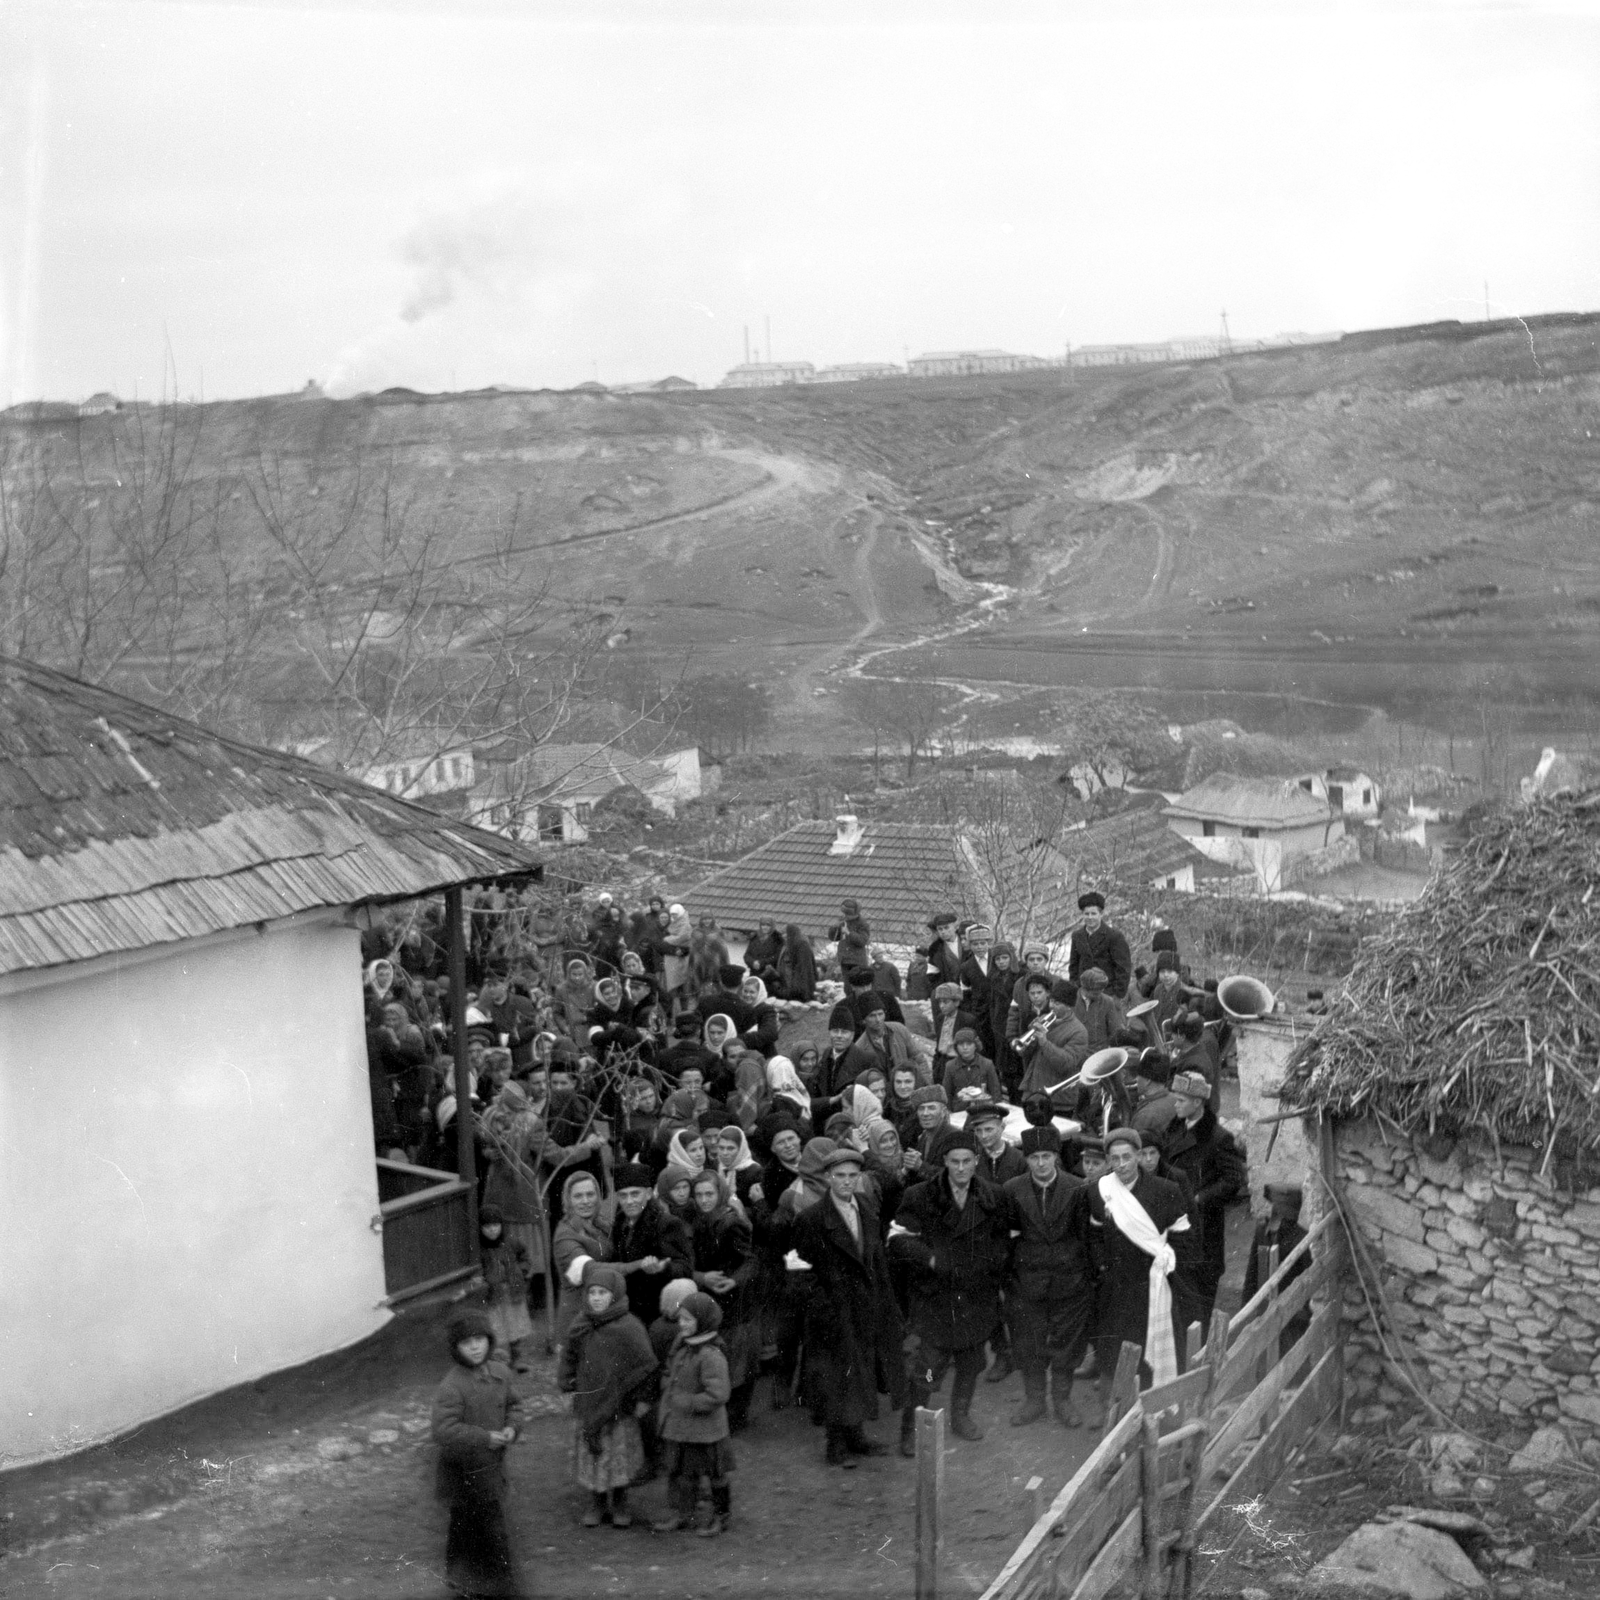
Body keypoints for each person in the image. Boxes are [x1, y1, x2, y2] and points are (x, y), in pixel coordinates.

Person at [889, 1129, 1017, 1450]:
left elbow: (1005, 1241)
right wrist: (931, 1259)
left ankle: (960, 1415)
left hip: (976, 1297)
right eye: (954, 1162)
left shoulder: (994, 1196)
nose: (960, 1169)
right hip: (936, 1298)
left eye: (967, 1162)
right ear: (944, 1162)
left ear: (977, 1161)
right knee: (929, 1369)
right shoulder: (920, 1196)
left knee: (971, 1362)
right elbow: (897, 1240)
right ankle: (913, 1426)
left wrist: (989, 1265)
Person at [792, 1146, 909, 1466]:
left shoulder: (867, 1207)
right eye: (839, 1176)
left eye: (852, 1176)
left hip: (867, 1305)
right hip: (835, 1311)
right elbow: (802, 1276)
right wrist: (826, 1310)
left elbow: (876, 1260)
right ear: (828, 1178)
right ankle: (836, 1444)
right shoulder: (812, 1219)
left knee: (861, 1372)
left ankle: (856, 1437)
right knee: (836, 1377)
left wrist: (887, 1304)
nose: (846, 1182)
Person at [1085, 1129, 1192, 1402]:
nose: (1121, 1164)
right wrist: (1103, 1268)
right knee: (1114, 1349)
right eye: (1115, 1158)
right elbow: (1095, 1236)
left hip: (1153, 1284)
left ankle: (1153, 1407)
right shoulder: (1100, 1191)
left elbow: (1184, 1237)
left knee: (1149, 1347)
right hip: (1116, 1287)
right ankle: (1114, 1412)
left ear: (1139, 1157)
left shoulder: (1165, 1191)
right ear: (1108, 1161)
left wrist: (1167, 1264)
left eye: (1127, 1157)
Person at [1003, 1126, 1096, 1427]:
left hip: (1069, 1282)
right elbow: (1007, 1237)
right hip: (1027, 1283)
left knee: (1066, 1345)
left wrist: (1082, 1275)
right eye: (1033, 1157)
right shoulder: (1012, 1190)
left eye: (1046, 1156)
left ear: (1056, 1157)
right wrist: (1011, 1278)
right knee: (1027, 1343)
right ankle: (1034, 1401)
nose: (1040, 1163)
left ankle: (1062, 1400)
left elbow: (1086, 1238)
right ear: (1026, 1159)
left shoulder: (1077, 1188)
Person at [431, 1308, 524, 1598]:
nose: (474, 1347)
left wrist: (512, 1427)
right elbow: (443, 1430)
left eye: (480, 1339)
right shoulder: (452, 1386)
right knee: (478, 1527)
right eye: (466, 1342)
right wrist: (484, 1437)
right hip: (462, 1471)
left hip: (490, 1467)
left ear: (490, 1340)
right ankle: (498, 1586)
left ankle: (467, 1580)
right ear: (456, 1348)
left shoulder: (500, 1374)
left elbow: (514, 1406)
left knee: (473, 1527)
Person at [559, 1262, 658, 1529]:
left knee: (617, 1453)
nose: (597, 1299)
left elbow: (645, 1366)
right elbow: (569, 1355)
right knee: (596, 1452)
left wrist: (642, 1399)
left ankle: (621, 1500)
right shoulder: (581, 1324)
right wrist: (567, 1381)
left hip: (620, 1404)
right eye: (592, 1293)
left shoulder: (629, 1327)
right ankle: (598, 1501)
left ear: (614, 1294)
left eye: (603, 1293)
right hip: (590, 1400)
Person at [1159, 1071, 1246, 1327]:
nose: (1175, 1104)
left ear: (1198, 1103)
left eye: (1182, 1100)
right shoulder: (1173, 1130)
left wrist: (1199, 1198)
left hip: (1204, 1225)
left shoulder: (1218, 1138)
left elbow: (1233, 1180)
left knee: (1201, 1289)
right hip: (1175, 1220)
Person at [652, 1292, 735, 1537]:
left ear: (703, 1321)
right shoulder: (684, 1347)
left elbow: (719, 1394)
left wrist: (687, 1401)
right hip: (684, 1428)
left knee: (716, 1475)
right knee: (683, 1474)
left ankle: (722, 1516)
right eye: (681, 1319)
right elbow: (670, 1371)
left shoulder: (710, 1355)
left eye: (688, 1320)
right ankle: (683, 1514)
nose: (683, 1324)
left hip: (708, 1432)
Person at [687, 1168, 758, 1430]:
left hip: (733, 1299)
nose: (705, 1199)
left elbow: (750, 1261)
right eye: (699, 1194)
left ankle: (737, 1416)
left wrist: (734, 1280)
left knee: (737, 1358)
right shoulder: (701, 1221)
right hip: (711, 1296)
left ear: (720, 1194)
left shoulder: (730, 1222)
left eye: (710, 1194)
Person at [609, 1161, 694, 1331]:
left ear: (648, 1194)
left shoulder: (666, 1224)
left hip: (656, 1314)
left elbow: (685, 1267)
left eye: (635, 1194)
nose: (629, 1201)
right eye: (623, 1195)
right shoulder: (619, 1225)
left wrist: (663, 1268)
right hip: (628, 1312)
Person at [1241, 1184, 1312, 1354]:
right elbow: (1252, 1273)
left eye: (1279, 1213)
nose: (1275, 1217)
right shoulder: (1262, 1233)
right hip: (1265, 1309)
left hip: (1292, 1316)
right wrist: (1246, 1309)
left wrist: (1302, 1315)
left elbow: (1308, 1286)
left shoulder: (1302, 1240)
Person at [553, 1171, 613, 1348]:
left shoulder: (602, 1225)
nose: (586, 1201)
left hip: (603, 1313)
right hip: (577, 1318)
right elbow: (591, 1271)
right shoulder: (565, 1233)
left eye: (590, 1194)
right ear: (568, 1200)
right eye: (578, 1196)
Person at [1016, 978, 1091, 1112]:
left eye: (1057, 1003)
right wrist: (1030, 1037)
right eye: (1051, 1001)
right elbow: (1023, 1052)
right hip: (1033, 1091)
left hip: (1058, 1099)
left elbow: (1067, 1063)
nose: (1051, 1006)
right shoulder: (1044, 1020)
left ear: (1068, 1006)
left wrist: (1044, 1042)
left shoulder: (1079, 1031)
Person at [476, 1204, 536, 1372]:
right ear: (480, 1228)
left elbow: (525, 1257)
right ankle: (491, 1362)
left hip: (512, 1292)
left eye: (496, 1225)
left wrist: (521, 1271)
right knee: (493, 1327)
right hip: (492, 1294)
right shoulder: (479, 1249)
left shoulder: (511, 1243)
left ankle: (516, 1359)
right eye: (487, 1227)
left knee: (515, 1326)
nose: (492, 1230)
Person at [1068, 893, 1132, 1001]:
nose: (1090, 917)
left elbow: (1123, 969)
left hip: (1107, 994)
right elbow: (1073, 965)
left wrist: (1116, 995)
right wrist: (1075, 988)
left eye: (1093, 913)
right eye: (1086, 914)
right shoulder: (1077, 936)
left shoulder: (1114, 936)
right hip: (1083, 994)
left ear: (1101, 914)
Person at [942, 1028, 1004, 1107]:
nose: (965, 1047)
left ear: (975, 1045)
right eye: (961, 1044)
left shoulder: (987, 1064)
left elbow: (996, 1094)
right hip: (959, 1110)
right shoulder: (950, 1066)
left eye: (969, 1044)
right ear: (956, 1047)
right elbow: (947, 1094)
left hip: (982, 1109)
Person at [1129, 1050, 1178, 1141]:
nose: (1136, 1079)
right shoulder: (1177, 1100)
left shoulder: (1145, 1116)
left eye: (1138, 1075)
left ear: (1148, 1080)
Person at [1075, 967, 1126, 1053]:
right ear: (1085, 989)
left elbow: (1115, 1031)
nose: (1099, 995)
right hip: (1075, 1053)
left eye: (1101, 991)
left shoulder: (1108, 1001)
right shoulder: (1070, 1000)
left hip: (1099, 1053)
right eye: (1095, 993)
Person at [827, 899, 872, 985]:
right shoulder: (843, 920)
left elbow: (862, 941)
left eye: (849, 914)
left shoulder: (863, 924)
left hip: (857, 961)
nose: (846, 916)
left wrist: (848, 933)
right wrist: (834, 928)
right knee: (847, 988)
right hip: (845, 960)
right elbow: (833, 938)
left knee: (857, 986)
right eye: (845, 914)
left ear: (856, 914)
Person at [774, 923, 817, 1002]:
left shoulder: (802, 945)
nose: (783, 936)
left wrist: (797, 988)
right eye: (782, 934)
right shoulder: (788, 945)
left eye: (785, 933)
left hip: (798, 987)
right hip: (789, 984)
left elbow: (804, 969)